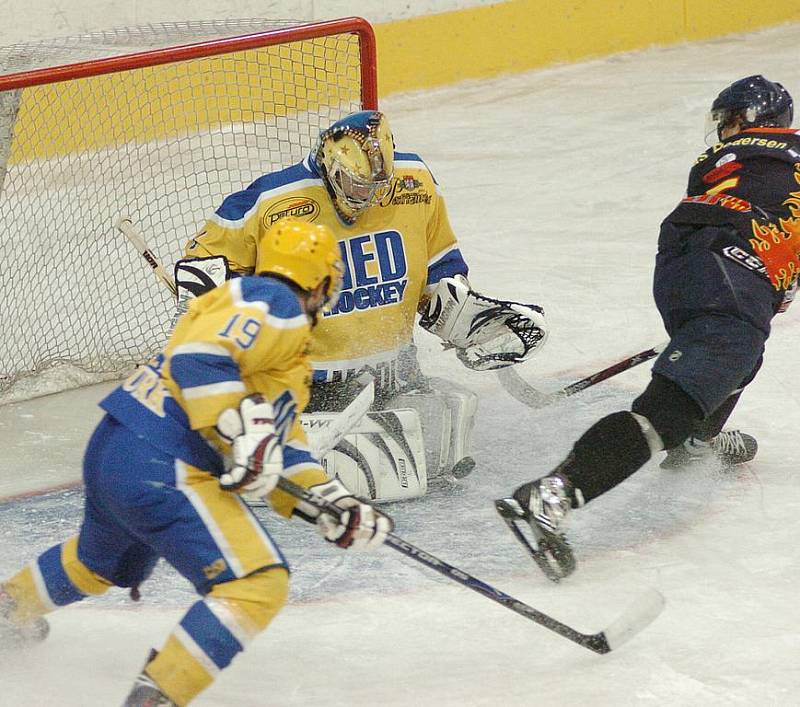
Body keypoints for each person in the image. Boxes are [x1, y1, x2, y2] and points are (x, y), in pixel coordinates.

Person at [0, 218, 393, 706]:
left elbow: (282, 450)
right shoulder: (278, 303)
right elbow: (198, 359)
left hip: (117, 450)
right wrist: (240, 430)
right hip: (162, 462)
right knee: (256, 583)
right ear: (323, 283)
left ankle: (6, 611)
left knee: (95, 562)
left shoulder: (281, 352)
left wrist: (331, 504)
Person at [496, 75, 798, 581]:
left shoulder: (719, 162)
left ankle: (695, 438)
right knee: (666, 410)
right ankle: (552, 494)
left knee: (741, 351)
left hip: (683, 261)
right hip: (733, 266)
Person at [175, 110, 549, 502]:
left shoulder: (414, 183)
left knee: (450, 426)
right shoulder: (269, 202)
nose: (366, 197)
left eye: (375, 186)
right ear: (331, 168)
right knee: (376, 475)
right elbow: (202, 273)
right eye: (355, 185)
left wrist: (475, 322)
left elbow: (439, 270)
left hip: (395, 378)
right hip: (308, 390)